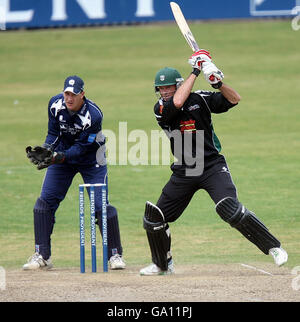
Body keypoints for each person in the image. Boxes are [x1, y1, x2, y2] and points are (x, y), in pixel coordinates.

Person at [140, 50, 288, 275]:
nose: (165, 92)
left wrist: (218, 83)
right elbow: (178, 101)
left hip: (211, 166)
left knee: (231, 209)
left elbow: (234, 99)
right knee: (154, 219)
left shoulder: (200, 98)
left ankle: (274, 248)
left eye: (169, 87)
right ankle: (162, 265)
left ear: (178, 84)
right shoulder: (161, 108)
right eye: (161, 88)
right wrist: (197, 70)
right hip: (185, 170)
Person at [23, 75, 126, 270]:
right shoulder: (55, 105)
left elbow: (81, 148)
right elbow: (53, 134)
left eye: (74, 94)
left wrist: (57, 157)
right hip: (62, 159)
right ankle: (42, 255)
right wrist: (47, 149)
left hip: (92, 159)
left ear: (82, 95)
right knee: (44, 203)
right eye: (67, 94)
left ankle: (115, 255)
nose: (69, 98)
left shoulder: (94, 115)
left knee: (99, 206)